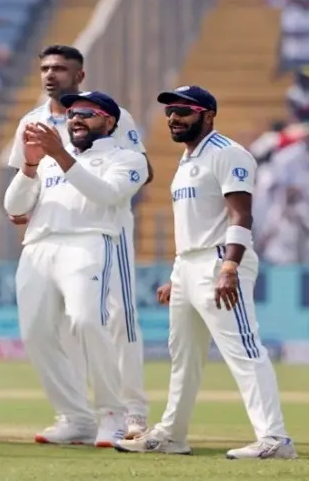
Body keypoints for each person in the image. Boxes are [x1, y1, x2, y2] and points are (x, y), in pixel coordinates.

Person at [116, 86, 297, 460]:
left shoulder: (228, 153)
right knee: (184, 357)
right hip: (188, 265)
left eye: (183, 111)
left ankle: (275, 438)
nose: (174, 118)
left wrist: (230, 266)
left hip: (219, 262)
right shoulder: (187, 161)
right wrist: (177, 275)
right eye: (170, 111)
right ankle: (173, 435)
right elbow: (194, 225)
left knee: (245, 350)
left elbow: (241, 215)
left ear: (208, 115)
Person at [6, 44, 150, 439]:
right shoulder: (36, 127)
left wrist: (61, 156)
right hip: (40, 242)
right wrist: (33, 165)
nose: (76, 118)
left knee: (99, 320)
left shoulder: (120, 147)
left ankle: (121, 412)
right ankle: (75, 417)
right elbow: (15, 201)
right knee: (36, 332)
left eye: (86, 114)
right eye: (45, 68)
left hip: (95, 238)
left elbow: (115, 187)